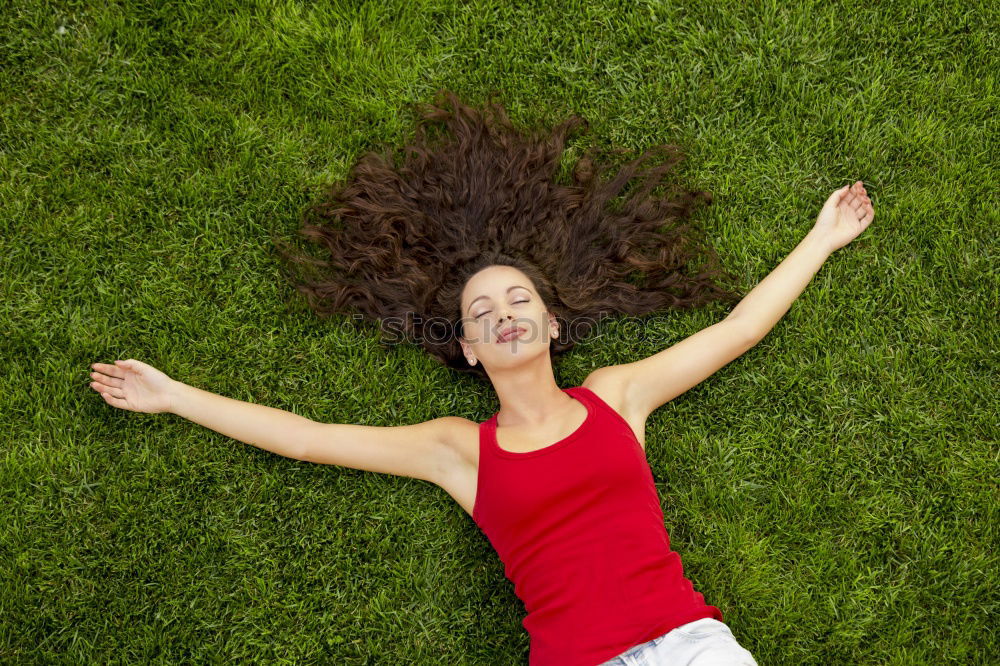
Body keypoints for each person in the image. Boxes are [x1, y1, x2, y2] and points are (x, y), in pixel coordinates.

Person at [88, 90, 874, 665]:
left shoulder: (617, 396)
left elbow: (736, 329)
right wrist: (173, 396)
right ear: (468, 347)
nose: (504, 312)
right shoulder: (459, 449)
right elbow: (307, 439)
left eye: (519, 298)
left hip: (693, 646)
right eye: (483, 310)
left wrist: (823, 238)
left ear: (551, 324)